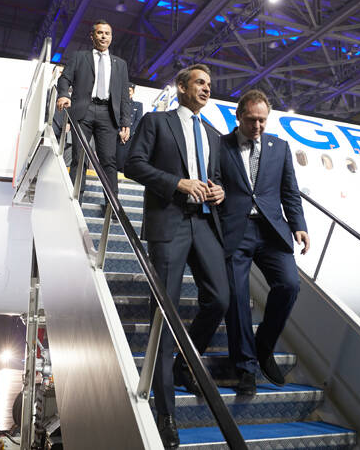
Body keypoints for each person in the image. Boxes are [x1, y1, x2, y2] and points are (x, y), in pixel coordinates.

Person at [124, 64, 229, 450]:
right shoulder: (157, 122)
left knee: (220, 299)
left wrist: (219, 192)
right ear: (182, 87)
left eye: (209, 85)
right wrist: (177, 183)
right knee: (164, 316)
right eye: (200, 83)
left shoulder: (213, 134)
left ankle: (184, 364)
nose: (207, 89)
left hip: (204, 224)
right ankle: (165, 412)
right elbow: (132, 164)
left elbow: (217, 177)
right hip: (169, 222)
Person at [218, 89, 310, 395]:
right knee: (237, 297)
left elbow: (290, 191)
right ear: (239, 117)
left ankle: (264, 346)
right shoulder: (220, 146)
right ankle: (245, 367)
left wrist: (299, 226)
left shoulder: (279, 147)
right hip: (235, 230)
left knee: (289, 285)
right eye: (251, 120)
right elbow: (214, 182)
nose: (257, 126)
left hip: (271, 230)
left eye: (262, 120)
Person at [56, 19, 130, 206]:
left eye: (107, 33)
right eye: (100, 32)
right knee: (78, 157)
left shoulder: (120, 64)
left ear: (111, 37)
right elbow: (64, 79)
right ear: (92, 36)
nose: (104, 36)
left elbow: (124, 95)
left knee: (108, 160)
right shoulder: (79, 57)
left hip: (108, 114)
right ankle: (75, 202)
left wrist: (125, 123)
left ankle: (112, 204)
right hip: (83, 110)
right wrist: (63, 95)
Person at [116, 83, 143, 173]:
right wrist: (120, 132)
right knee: (117, 161)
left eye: (130, 91)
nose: (128, 93)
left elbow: (138, 120)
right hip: (118, 136)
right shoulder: (117, 104)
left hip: (130, 137)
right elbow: (115, 119)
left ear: (133, 92)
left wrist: (128, 134)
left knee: (126, 162)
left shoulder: (138, 105)